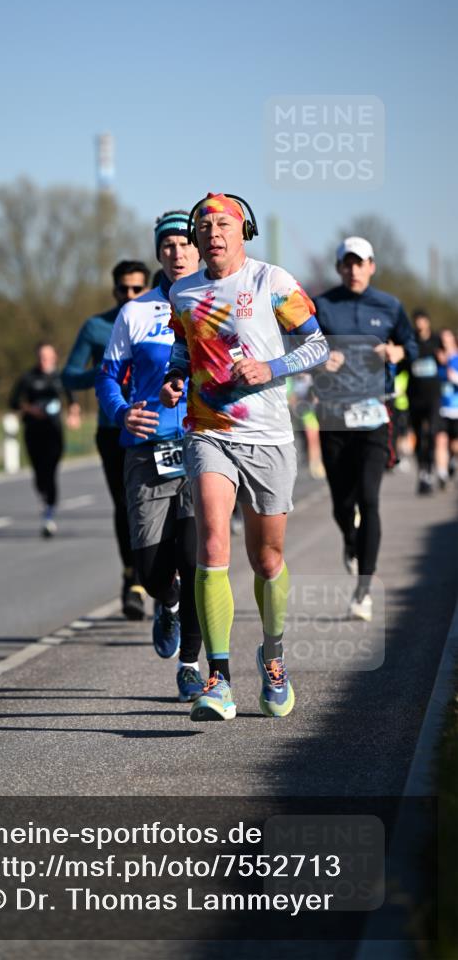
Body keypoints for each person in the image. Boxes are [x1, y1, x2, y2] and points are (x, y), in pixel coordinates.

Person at [160, 193, 329, 722]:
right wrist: (172, 379)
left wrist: (272, 368)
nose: (212, 233)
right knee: (212, 540)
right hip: (208, 430)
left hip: (270, 436)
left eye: (223, 224)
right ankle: (219, 679)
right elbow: (181, 351)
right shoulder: (182, 290)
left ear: (243, 230)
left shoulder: (271, 281)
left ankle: (273, 658)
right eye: (204, 226)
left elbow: (318, 345)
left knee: (267, 559)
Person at [96, 211, 206, 702]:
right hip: (147, 450)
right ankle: (167, 602)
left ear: (200, 248)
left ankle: (190, 666)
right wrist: (123, 414)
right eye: (169, 245)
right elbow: (105, 377)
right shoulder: (136, 312)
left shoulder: (215, 303)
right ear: (158, 252)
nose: (178, 253)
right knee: (153, 572)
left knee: (198, 559)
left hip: (203, 447)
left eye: (186, 243)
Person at [312, 236, 417, 620]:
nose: (354, 269)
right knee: (342, 504)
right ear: (339, 267)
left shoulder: (389, 306)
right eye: (347, 263)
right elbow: (301, 350)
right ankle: (351, 541)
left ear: (372, 265)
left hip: (375, 415)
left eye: (361, 263)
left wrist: (397, 352)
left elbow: (411, 344)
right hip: (334, 417)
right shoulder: (322, 306)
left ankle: (363, 591)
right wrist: (320, 360)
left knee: (369, 499)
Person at [62, 261, 151, 619]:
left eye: (137, 289)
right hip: (113, 428)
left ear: (146, 288)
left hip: (154, 425)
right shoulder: (97, 327)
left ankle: (159, 576)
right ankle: (132, 579)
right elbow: (69, 375)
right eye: (123, 290)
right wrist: (103, 375)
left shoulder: (161, 318)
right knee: (125, 504)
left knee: (160, 505)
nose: (129, 295)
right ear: (114, 290)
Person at [9, 342, 80, 538]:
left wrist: (73, 415)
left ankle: (49, 513)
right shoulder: (28, 377)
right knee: (39, 473)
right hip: (33, 430)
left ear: (54, 357)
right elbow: (13, 402)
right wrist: (31, 409)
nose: (44, 360)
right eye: (41, 356)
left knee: (51, 470)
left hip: (54, 431)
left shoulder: (60, 377)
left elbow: (72, 400)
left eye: (47, 356)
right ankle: (44, 496)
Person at [407, 309, 443, 495]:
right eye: (417, 320)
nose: (420, 324)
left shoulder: (437, 340)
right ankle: (422, 472)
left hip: (433, 396)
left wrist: (442, 359)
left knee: (433, 433)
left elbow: (448, 361)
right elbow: (403, 365)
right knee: (419, 436)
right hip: (414, 396)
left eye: (423, 320)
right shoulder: (410, 340)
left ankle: (430, 469)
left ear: (427, 322)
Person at [436, 327, 458, 488]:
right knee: (441, 440)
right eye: (442, 339)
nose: (445, 342)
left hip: (456, 408)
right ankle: (442, 474)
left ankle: (452, 460)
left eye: (448, 338)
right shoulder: (437, 358)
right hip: (441, 407)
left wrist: (453, 376)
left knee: (455, 445)